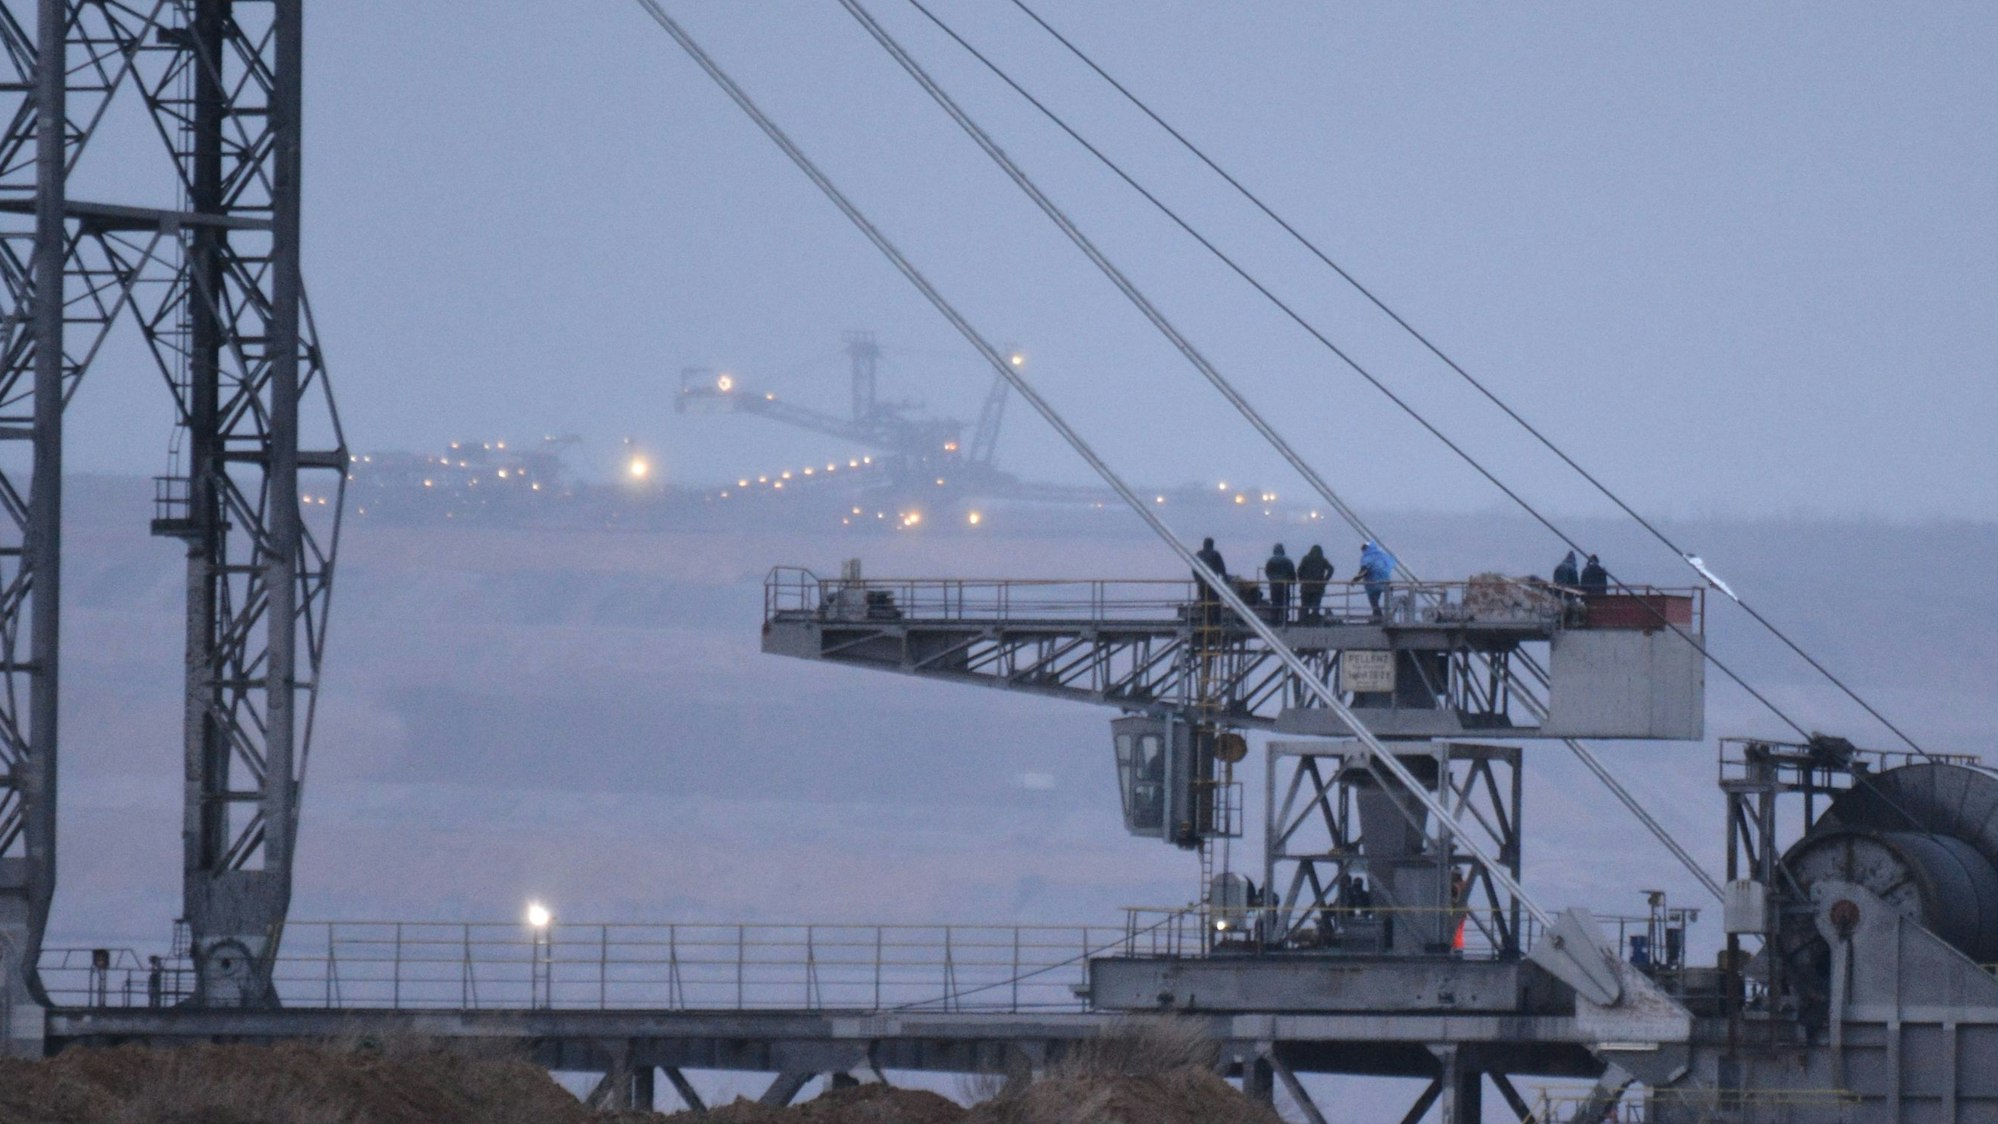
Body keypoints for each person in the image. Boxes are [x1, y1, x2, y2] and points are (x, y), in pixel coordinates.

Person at [1350, 541, 1397, 620]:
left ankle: (1377, 615)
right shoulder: (1383, 556)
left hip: (1373, 582)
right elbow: (1392, 563)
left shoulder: (1368, 556)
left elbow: (1364, 570)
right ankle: (1388, 615)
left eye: (1364, 548)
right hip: (1386, 581)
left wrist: (1355, 580)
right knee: (1387, 599)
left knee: (1373, 600)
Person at [1296, 544, 1333, 621]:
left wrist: (1301, 580)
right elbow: (1331, 569)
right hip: (1318, 587)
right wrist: (1325, 581)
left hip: (1306, 587)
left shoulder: (1306, 559)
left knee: (1304, 605)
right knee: (1316, 606)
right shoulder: (1322, 560)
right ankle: (1314, 621)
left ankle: (1303, 621)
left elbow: (1299, 571)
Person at [1193, 537, 1227, 619]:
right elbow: (1221, 568)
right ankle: (1216, 621)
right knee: (1215, 602)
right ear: (1212, 545)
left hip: (1202, 583)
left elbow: (1194, 569)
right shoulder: (1215, 554)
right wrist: (1226, 578)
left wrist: (1197, 580)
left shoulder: (1198, 554)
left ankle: (1207, 620)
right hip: (1213, 583)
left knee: (1205, 602)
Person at [1263, 543, 1295, 624]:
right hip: (1285, 584)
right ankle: (1284, 619)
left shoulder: (1270, 560)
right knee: (1285, 602)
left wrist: (1272, 579)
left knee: (1275, 601)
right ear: (1283, 550)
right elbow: (1292, 572)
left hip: (1274, 584)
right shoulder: (1287, 560)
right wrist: (1293, 581)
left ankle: (1274, 620)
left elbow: (1267, 572)